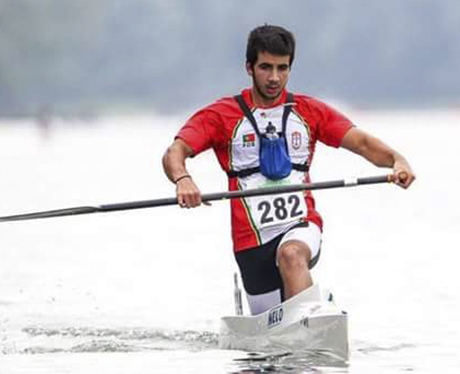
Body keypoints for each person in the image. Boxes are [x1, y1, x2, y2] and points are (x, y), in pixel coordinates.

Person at [162, 25, 415, 315]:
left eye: (282, 68)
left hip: (300, 224)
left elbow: (363, 144)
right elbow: (175, 152)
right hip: (250, 241)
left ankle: (309, 326)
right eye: (265, 67)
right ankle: (296, 323)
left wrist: (398, 160)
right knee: (269, 329)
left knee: (292, 254)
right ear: (249, 67)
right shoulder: (221, 116)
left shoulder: (308, 111)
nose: (274, 78)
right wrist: (183, 179)